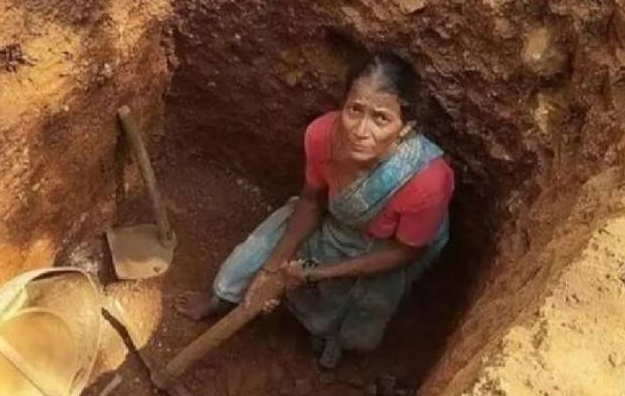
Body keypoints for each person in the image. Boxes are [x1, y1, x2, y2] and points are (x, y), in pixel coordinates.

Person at [176, 52, 455, 369]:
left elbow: (405, 252)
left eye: (381, 118)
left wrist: (313, 274)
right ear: (343, 104)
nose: (361, 130)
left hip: (385, 245)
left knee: (355, 317)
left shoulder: (427, 181)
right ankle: (221, 299)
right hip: (335, 220)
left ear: (405, 127)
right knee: (249, 262)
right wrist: (272, 269)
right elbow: (310, 202)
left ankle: (329, 340)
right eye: (354, 110)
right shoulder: (322, 135)